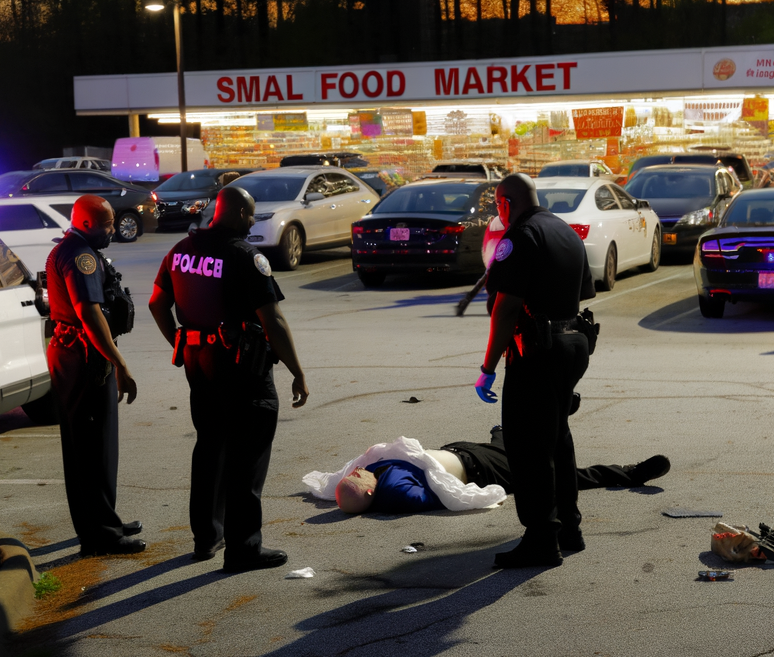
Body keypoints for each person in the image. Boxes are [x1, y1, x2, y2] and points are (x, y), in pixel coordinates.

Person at [148, 186, 309, 573]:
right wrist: (297, 371)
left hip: (198, 363)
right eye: (251, 215)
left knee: (209, 447)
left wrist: (180, 340)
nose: (252, 222)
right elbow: (273, 320)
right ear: (238, 214)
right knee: (248, 456)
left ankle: (207, 537)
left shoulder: (182, 250)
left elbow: (157, 301)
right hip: (241, 367)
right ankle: (243, 549)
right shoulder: (243, 255)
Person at [474, 173, 596, 569]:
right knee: (557, 437)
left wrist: (487, 367)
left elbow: (505, 309)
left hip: (537, 351)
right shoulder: (566, 232)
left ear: (505, 203)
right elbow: (582, 293)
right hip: (573, 343)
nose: (498, 213)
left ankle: (542, 538)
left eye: (497, 206)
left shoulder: (520, 236)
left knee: (528, 447)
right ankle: (568, 528)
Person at [45, 194, 145, 557]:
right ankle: (100, 534)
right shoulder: (80, 255)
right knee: (90, 448)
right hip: (82, 358)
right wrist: (120, 364)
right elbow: (88, 313)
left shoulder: (75, 249)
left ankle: (106, 521)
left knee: (97, 446)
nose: (112, 230)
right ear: (86, 223)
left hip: (79, 354)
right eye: (106, 224)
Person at [333, 427, 671, 514]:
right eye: (356, 480)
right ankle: (630, 473)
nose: (356, 472)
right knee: (559, 477)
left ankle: (504, 431)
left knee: (505, 441)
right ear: (369, 492)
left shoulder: (376, 471)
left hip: (465, 452)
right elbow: (439, 496)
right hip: (483, 470)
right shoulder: (393, 491)